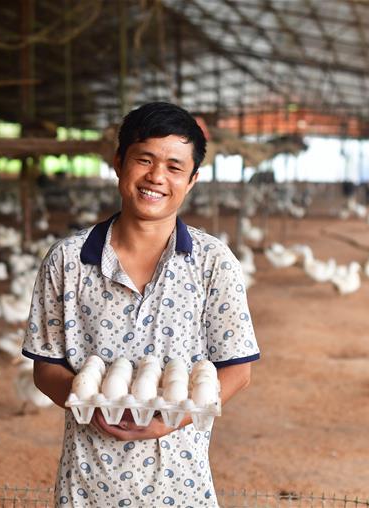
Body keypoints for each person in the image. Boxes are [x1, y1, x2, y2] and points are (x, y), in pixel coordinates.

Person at [23, 102, 260, 506]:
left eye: (174, 167)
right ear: (119, 163)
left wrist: (174, 418)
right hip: (89, 485)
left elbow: (237, 369)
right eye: (144, 159)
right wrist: (90, 401)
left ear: (192, 180)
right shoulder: (68, 261)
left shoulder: (212, 262)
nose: (156, 177)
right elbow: (46, 367)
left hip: (180, 487)